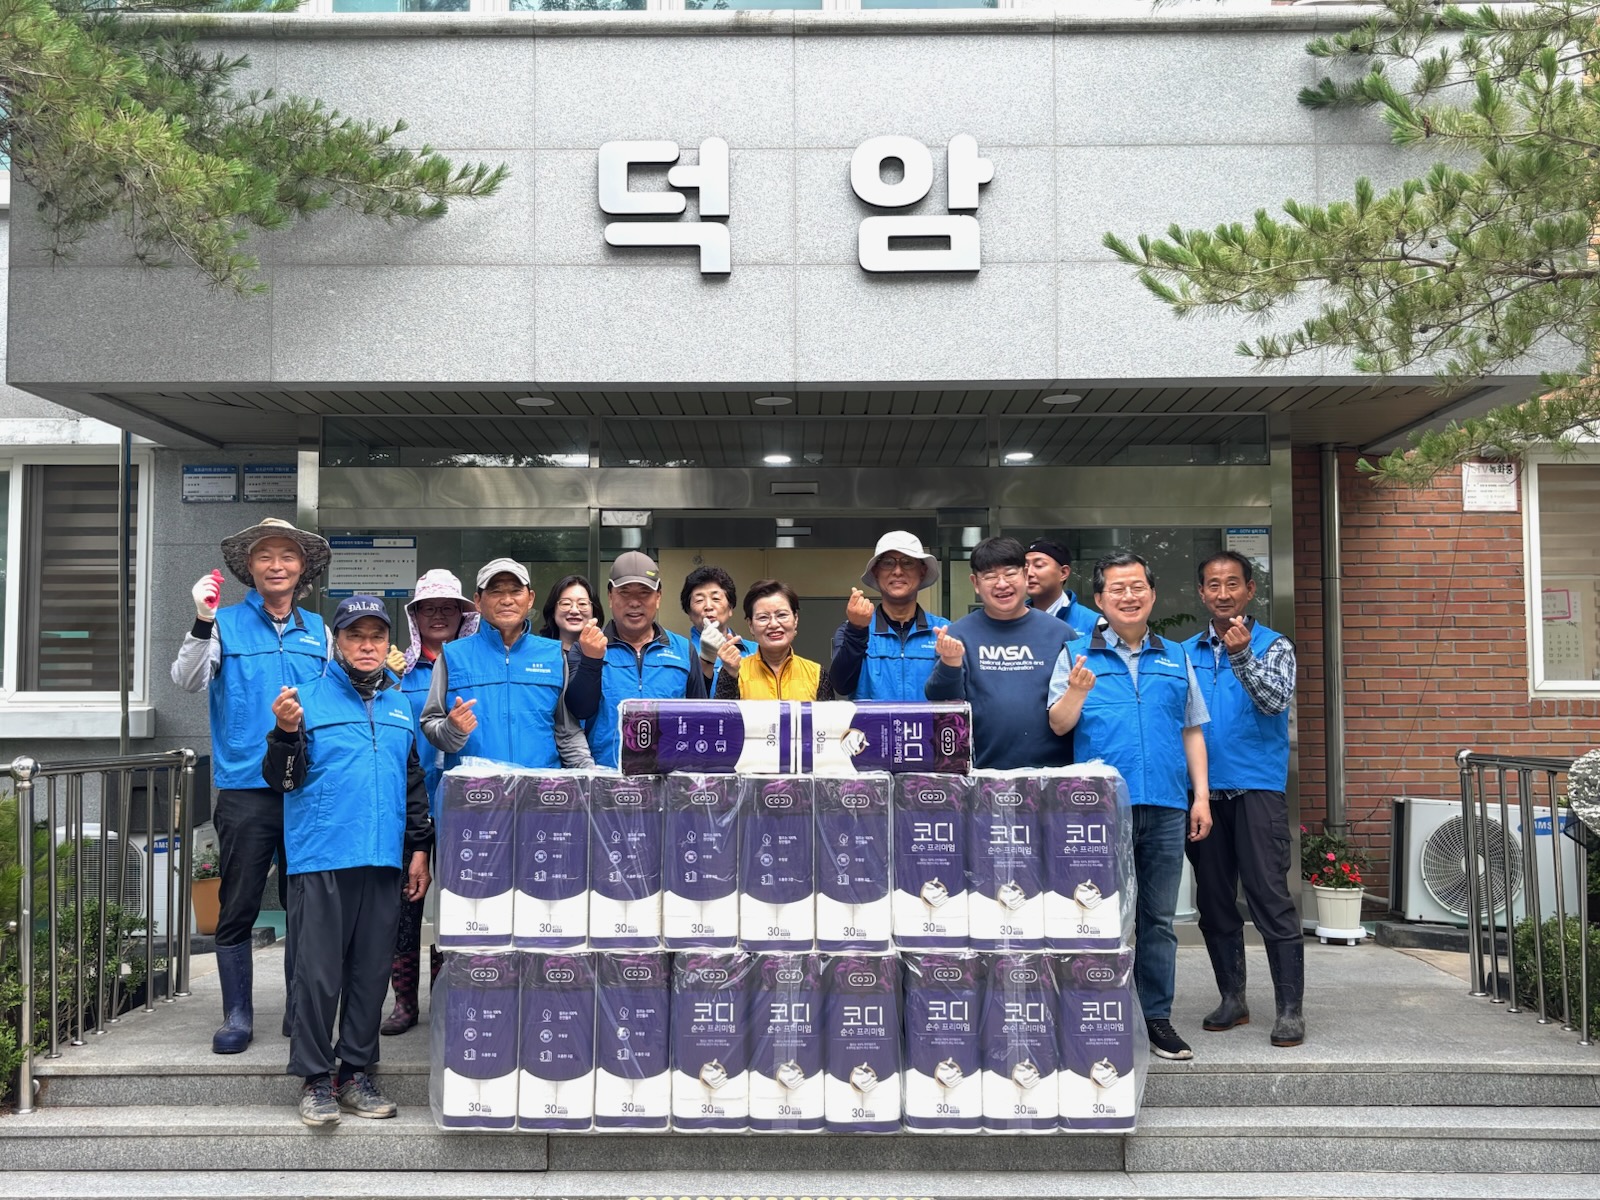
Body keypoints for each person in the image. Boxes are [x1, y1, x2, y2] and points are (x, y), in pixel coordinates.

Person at [262, 595, 432, 1126]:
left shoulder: (400, 706)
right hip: (322, 856)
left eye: (376, 636)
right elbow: (282, 780)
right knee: (316, 976)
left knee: (370, 974)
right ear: (337, 642)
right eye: (355, 636)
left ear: (388, 643)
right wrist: (284, 734)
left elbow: (412, 784)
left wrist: (419, 849)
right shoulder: (304, 700)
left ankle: (355, 1073)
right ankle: (315, 1079)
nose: (366, 645)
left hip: (382, 858)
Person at [170, 517, 332, 1055]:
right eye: (266, 556)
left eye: (287, 555)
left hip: (306, 785)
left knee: (303, 901)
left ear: (302, 567)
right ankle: (237, 1014)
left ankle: (297, 1007)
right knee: (238, 902)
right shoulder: (224, 623)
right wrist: (201, 618)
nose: (277, 565)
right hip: (244, 785)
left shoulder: (320, 631)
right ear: (250, 567)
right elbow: (188, 679)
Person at [1047, 550, 1213, 1063]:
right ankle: (1099, 1014)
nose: (1129, 596)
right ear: (1099, 599)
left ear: (1152, 594)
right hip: (1098, 811)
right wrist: (1076, 693)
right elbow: (1058, 723)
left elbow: (1192, 730)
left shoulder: (1175, 656)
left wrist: (1201, 797)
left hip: (1164, 806)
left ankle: (1156, 1018)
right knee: (1097, 917)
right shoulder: (1076, 654)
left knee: (1158, 919)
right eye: (1117, 588)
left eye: (1137, 586)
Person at [1181, 551, 1304, 1048]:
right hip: (1202, 796)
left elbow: (1275, 702)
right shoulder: (1183, 652)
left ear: (1250, 590)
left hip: (1257, 790)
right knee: (1213, 901)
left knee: (1270, 899)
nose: (1223, 593)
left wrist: (1241, 657)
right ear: (1201, 593)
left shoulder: (1274, 645)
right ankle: (1233, 999)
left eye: (1233, 583)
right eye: (1213, 585)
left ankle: (1290, 1010)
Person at [380, 569, 478, 1036]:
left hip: (466, 805)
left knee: (453, 906)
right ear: (414, 616)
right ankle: (404, 1001)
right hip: (410, 805)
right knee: (407, 902)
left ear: (463, 615)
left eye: (448, 608)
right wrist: (386, 676)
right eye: (428, 609)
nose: (438, 616)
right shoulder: (396, 671)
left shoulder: (472, 667)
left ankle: (445, 995)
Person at [420, 558, 603, 773]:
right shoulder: (453, 655)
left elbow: (568, 732)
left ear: (530, 598)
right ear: (478, 601)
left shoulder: (553, 654)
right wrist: (452, 729)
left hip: (540, 788)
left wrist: (589, 772)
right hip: (474, 789)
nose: (507, 600)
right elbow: (431, 723)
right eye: (496, 591)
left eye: (516, 591)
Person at [923, 536, 1073, 770]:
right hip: (981, 774)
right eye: (990, 576)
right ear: (975, 583)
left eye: (1010, 573)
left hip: (1051, 775)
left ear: (1025, 574)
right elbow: (944, 707)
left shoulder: (1060, 633)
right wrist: (950, 662)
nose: (1002, 584)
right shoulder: (957, 635)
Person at [587, 551, 707, 769]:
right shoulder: (590, 647)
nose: (634, 602)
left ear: (658, 597)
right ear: (610, 596)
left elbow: (700, 719)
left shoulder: (683, 650)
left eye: (644, 593)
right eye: (624, 592)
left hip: (669, 778)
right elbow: (576, 713)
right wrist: (590, 660)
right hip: (607, 775)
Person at [828, 531, 949, 701]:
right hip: (869, 721)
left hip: (928, 721)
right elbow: (841, 685)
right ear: (876, 572)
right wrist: (857, 630)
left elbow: (957, 694)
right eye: (888, 563)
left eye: (907, 562)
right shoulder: (852, 629)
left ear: (922, 571)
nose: (897, 571)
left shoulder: (944, 631)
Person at [712, 579, 836, 700]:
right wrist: (730, 675)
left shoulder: (817, 674)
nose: (773, 624)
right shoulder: (736, 672)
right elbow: (723, 713)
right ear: (750, 625)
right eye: (763, 617)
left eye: (782, 615)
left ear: (795, 619)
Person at [680, 565, 755, 693]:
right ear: (689, 613)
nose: (708, 606)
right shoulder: (679, 654)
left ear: (730, 608)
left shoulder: (756, 651)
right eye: (699, 600)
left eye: (716, 599)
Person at [1023, 537, 1099, 636]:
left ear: (1063, 573)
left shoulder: (1092, 622)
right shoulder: (1013, 619)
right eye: (1025, 566)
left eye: (1039, 565)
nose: (1029, 573)